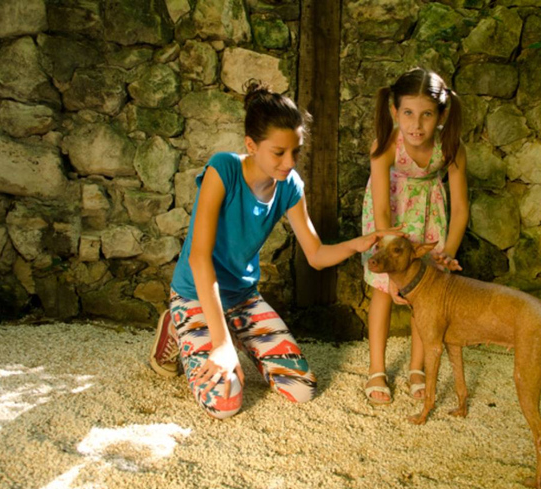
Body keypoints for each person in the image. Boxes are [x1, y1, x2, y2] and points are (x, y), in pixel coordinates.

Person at [149, 81, 402, 419]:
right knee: (224, 404)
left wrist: (359, 243)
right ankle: (176, 326)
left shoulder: (290, 186)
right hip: (196, 293)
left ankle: (233, 332)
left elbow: (315, 254)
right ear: (251, 145)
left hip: (241, 297)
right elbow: (198, 257)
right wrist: (222, 344)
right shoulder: (222, 169)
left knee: (301, 388)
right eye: (279, 152)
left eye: (296, 151)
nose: (289, 162)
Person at [361, 68, 469, 405]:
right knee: (383, 292)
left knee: (425, 297)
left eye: (426, 114)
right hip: (389, 223)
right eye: (407, 113)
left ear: (441, 115)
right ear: (395, 111)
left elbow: (462, 207)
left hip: (428, 219)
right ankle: (376, 369)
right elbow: (381, 209)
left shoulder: (450, 146)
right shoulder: (386, 144)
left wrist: (446, 251)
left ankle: (417, 368)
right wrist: (389, 252)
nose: (416, 125)